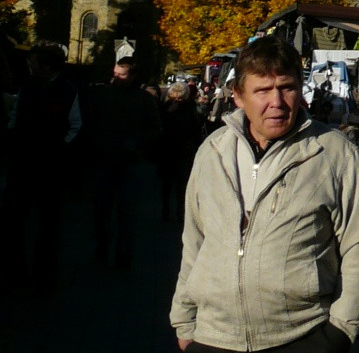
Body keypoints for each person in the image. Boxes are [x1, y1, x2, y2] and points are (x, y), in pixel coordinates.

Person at [171, 37, 359, 353]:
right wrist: (184, 321)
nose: (277, 102)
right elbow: (195, 239)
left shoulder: (333, 152)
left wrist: (341, 330)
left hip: (303, 343)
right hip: (218, 346)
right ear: (238, 96)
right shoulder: (213, 151)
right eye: (263, 90)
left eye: (286, 88)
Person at [0, 44, 81, 294]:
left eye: (34, 63)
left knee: (48, 223)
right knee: (16, 219)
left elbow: (75, 125)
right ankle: (17, 272)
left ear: (46, 66)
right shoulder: (29, 87)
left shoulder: (67, 90)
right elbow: (15, 117)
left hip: (49, 164)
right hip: (23, 162)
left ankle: (44, 276)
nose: (30, 66)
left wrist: (58, 147)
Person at [87, 56, 161, 267]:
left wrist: (137, 144)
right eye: (115, 73)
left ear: (134, 76)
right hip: (103, 160)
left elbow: (155, 129)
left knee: (126, 211)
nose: (117, 77)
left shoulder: (144, 99)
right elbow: (91, 124)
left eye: (122, 74)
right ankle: (103, 243)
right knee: (101, 210)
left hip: (130, 162)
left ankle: (123, 253)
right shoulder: (102, 95)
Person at [157, 81, 205, 224]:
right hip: (184, 151)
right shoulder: (190, 109)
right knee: (182, 184)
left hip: (167, 150)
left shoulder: (165, 108)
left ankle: (165, 210)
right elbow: (196, 130)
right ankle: (180, 212)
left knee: (167, 184)